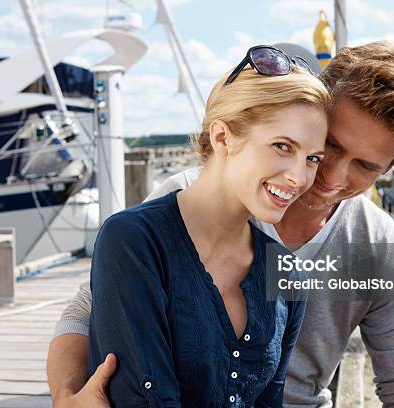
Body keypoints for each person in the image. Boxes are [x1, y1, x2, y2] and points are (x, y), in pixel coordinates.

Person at [47, 41, 394, 407]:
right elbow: (88, 309)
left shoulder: (379, 250)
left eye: (364, 166)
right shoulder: (185, 201)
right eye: (331, 147)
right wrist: (67, 396)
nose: (330, 176)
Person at [83, 45, 332, 407]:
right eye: (282, 146)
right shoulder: (134, 241)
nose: (298, 176)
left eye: (312, 158)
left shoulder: (288, 276)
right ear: (222, 137)